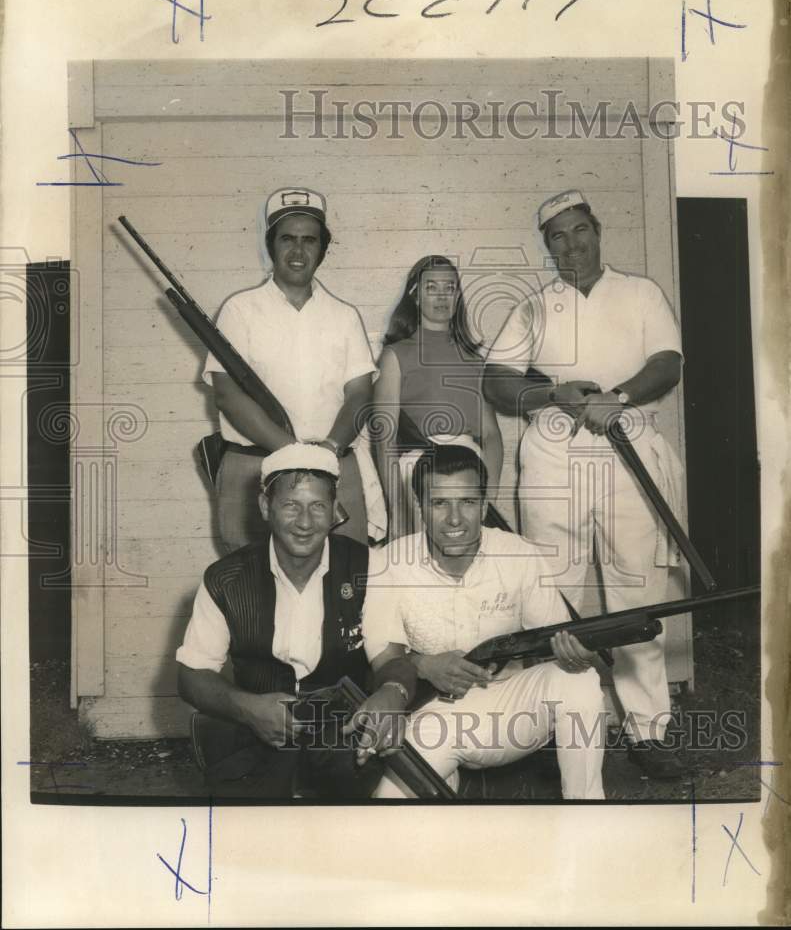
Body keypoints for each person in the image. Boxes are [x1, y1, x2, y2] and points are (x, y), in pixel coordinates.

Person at [483, 189, 687, 780]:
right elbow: (498, 383)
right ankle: (547, 731)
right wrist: (553, 393)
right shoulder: (534, 307)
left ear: (598, 230)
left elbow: (668, 362)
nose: (572, 244)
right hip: (552, 459)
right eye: (558, 236)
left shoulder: (640, 292)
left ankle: (650, 734)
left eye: (580, 230)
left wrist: (614, 398)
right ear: (546, 246)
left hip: (627, 452)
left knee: (637, 594)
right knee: (552, 595)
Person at [360, 444, 605, 800]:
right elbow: (384, 659)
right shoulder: (389, 563)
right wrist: (425, 665)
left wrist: (576, 655)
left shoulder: (519, 553)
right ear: (419, 506)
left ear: (485, 504)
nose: (455, 519)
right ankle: (445, 786)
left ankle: (588, 817)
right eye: (439, 503)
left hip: (515, 708)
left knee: (580, 681)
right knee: (387, 814)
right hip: (436, 717)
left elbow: (558, 643)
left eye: (468, 502)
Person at [175, 443, 415, 799]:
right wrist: (248, 708)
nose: (305, 522)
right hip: (255, 734)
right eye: (291, 506)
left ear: (335, 511)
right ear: (265, 507)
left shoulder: (369, 566)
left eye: (318, 506)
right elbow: (190, 676)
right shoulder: (225, 579)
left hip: (341, 737)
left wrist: (392, 694)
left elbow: (392, 660)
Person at [203, 188, 377, 550]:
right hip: (253, 468)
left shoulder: (345, 316)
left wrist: (326, 450)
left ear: (323, 249)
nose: (298, 252)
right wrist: (293, 452)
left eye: (309, 241)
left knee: (343, 579)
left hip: (333, 465)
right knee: (252, 589)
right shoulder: (239, 310)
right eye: (287, 239)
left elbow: (360, 395)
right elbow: (227, 395)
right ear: (271, 245)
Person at [372, 255, 503, 539]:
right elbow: (384, 439)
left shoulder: (475, 360)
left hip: (469, 470)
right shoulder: (395, 354)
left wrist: (487, 495)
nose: (442, 296)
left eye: (450, 287)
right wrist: (397, 510)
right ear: (416, 296)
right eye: (432, 287)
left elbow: (491, 435)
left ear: (458, 296)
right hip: (418, 474)